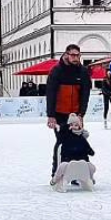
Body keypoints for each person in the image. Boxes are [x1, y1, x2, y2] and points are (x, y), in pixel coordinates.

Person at [45, 44, 92, 176]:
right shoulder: (56, 71)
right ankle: (57, 172)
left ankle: (77, 173)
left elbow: (85, 95)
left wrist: (81, 114)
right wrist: (51, 115)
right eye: (73, 55)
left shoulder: (83, 72)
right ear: (66, 55)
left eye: (78, 55)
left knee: (77, 142)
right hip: (59, 114)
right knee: (62, 142)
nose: (75, 58)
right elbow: (51, 94)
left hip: (75, 114)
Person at [51, 114, 96, 187]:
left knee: (91, 167)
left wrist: (89, 151)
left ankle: (89, 178)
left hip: (81, 163)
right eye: (71, 125)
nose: (74, 127)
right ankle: (56, 179)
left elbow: (90, 151)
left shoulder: (82, 138)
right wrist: (65, 127)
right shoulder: (66, 136)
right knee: (62, 166)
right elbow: (61, 135)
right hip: (68, 162)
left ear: (79, 126)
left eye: (76, 125)